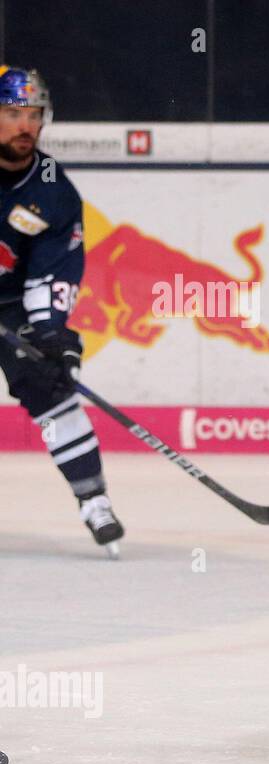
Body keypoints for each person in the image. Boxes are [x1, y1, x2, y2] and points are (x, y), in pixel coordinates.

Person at [0, 66, 122, 555]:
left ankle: (94, 501)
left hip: (12, 301)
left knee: (50, 385)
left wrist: (51, 334)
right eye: (12, 114)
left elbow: (54, 270)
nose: (25, 126)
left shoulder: (51, 187)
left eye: (33, 115)